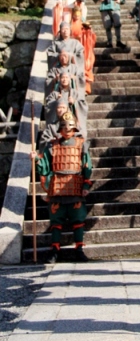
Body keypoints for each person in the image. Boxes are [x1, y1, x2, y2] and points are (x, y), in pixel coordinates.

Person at [30, 110, 92, 263]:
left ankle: (79, 249)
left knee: (78, 220)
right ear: (60, 128)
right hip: (57, 187)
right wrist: (36, 160)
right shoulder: (52, 146)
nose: (67, 130)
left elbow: (87, 165)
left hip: (75, 185)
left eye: (70, 127)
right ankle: (55, 249)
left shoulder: (81, 144)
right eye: (64, 127)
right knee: (56, 222)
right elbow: (45, 166)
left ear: (74, 128)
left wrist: (86, 185)